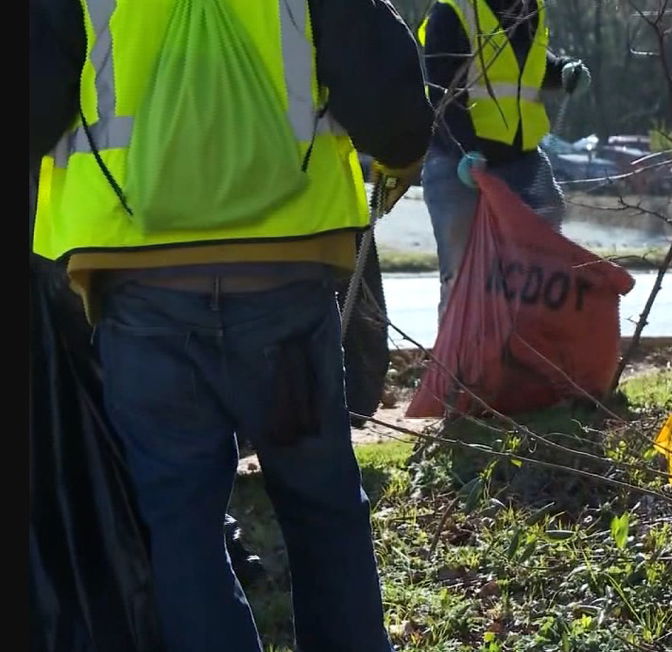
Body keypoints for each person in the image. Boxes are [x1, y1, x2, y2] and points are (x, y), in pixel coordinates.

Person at [30, 0, 433, 650]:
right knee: (322, 511)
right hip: (283, 286)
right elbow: (394, 115)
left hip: (142, 290)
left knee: (180, 524)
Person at [419, 0, 592, 316]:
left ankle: (524, 354)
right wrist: (464, 150)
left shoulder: (528, 8)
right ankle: (458, 362)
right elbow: (441, 95)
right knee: (462, 276)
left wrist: (562, 70)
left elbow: (528, 66)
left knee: (539, 268)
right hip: (460, 167)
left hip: (521, 162)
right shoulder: (452, 12)